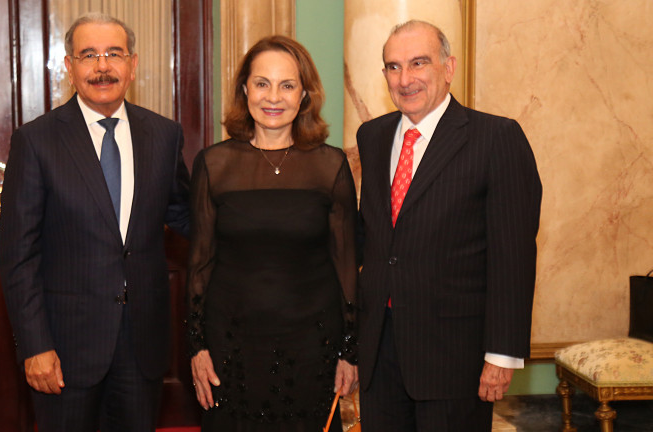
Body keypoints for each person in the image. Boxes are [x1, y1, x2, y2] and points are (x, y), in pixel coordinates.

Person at [0, 12, 189, 432]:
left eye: (114, 54)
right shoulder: (36, 140)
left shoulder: (163, 135)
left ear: (132, 65)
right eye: (89, 55)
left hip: (142, 347)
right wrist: (34, 345)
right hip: (64, 349)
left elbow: (185, 215)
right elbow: (18, 256)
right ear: (70, 67)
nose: (103, 66)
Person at [356, 20, 542, 431]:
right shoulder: (372, 137)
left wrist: (501, 354)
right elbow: (374, 239)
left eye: (418, 63)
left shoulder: (496, 137)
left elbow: (512, 255)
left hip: (455, 360)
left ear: (449, 67)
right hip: (379, 354)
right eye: (393, 67)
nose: (405, 79)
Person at [186, 35, 358, 432]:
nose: (273, 97)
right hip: (231, 349)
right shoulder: (213, 164)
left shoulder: (331, 167)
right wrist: (197, 347)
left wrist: (350, 351)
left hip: (313, 348)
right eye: (262, 83)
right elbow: (199, 265)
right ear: (245, 89)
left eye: (287, 85)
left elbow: (346, 265)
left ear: (304, 95)